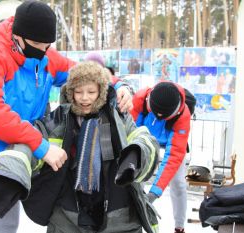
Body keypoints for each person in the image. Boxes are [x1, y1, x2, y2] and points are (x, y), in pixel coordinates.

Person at [0, 1, 133, 232]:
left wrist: (120, 85)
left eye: (48, 45)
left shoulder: (46, 57)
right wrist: (41, 146)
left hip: (12, 155)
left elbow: (84, 74)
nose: (43, 50)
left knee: (5, 226)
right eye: (37, 44)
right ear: (18, 36)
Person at [18, 61, 159, 232]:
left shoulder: (119, 118)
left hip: (117, 211)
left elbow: (145, 140)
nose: (85, 98)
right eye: (78, 92)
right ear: (71, 93)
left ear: (101, 92)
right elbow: (31, 141)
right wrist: (13, 171)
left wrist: (135, 155)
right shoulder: (57, 120)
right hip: (68, 214)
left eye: (91, 92)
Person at [130, 81, 191, 233]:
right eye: (155, 112)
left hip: (170, 142)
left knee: (178, 183)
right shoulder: (139, 99)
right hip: (144, 138)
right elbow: (128, 134)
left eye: (163, 117)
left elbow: (173, 157)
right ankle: (133, 221)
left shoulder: (183, 116)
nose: (158, 117)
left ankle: (179, 226)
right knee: (136, 178)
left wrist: (154, 193)